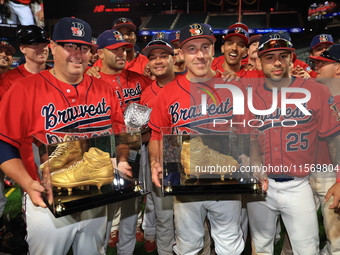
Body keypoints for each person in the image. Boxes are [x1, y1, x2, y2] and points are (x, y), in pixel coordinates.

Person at [0, 16, 125, 255]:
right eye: (69, 45)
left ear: (91, 52)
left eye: (84, 47)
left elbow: (118, 135)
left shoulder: (105, 90)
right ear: (52, 47)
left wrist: (120, 160)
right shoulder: (23, 90)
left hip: (96, 195)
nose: (77, 53)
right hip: (45, 197)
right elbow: (4, 143)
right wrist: (27, 184)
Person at [148, 22, 254, 255]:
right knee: (189, 245)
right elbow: (157, 133)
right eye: (192, 49)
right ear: (181, 54)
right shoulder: (168, 92)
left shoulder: (233, 86)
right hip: (186, 182)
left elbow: (248, 130)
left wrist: (252, 160)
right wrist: (156, 161)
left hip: (225, 178)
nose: (200, 55)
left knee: (229, 244)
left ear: (213, 49)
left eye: (205, 47)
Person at [247, 31, 340, 255]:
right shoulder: (249, 96)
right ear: (259, 62)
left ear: (292, 58)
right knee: (261, 248)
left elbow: (334, 138)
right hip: (261, 187)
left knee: (307, 249)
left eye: (283, 55)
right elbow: (249, 139)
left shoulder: (317, 91)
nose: (277, 62)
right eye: (269, 57)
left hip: (299, 185)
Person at [140, 36, 176, 254]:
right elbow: (148, 133)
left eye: (163, 55)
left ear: (174, 59)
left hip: (190, 158)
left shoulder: (188, 83)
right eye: (153, 57)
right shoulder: (146, 93)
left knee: (193, 219)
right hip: (159, 158)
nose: (158, 61)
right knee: (164, 218)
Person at [309, 44, 340, 255]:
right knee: (300, 235)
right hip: (306, 173)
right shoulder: (316, 91)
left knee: (335, 239)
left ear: (338, 69)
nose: (317, 67)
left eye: (323, 63)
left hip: (332, 177)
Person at [0, 25, 50, 100]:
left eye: (44, 45)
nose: (43, 49)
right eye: (36, 45)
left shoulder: (58, 75)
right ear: (22, 49)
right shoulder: (8, 79)